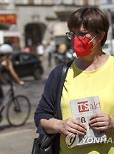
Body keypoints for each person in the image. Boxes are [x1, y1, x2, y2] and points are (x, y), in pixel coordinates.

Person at [34, 7, 114, 154]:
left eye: (82, 34)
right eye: (72, 34)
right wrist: (60, 125)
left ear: (100, 35)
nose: (76, 39)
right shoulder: (60, 73)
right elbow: (41, 116)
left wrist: (113, 124)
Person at [0, 44, 24, 116]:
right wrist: (19, 81)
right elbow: (13, 73)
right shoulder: (7, 61)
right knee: (1, 96)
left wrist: (4, 79)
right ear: (8, 53)